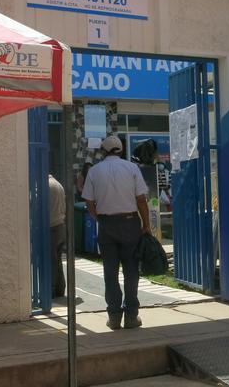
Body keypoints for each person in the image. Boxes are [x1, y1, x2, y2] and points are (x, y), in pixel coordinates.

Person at [82, 135, 152, 329]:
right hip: (130, 224)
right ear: (121, 150)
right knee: (131, 271)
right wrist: (146, 225)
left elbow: (88, 201)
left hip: (107, 225)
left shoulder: (95, 171)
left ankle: (114, 317)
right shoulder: (132, 168)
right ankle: (131, 316)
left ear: (103, 151)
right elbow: (141, 200)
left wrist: (98, 218)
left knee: (110, 272)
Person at [48, 173, 67, 299]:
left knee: (51, 260)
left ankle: (52, 289)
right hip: (60, 225)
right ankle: (60, 288)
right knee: (58, 260)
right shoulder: (58, 184)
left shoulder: (45, 186)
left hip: (51, 227)